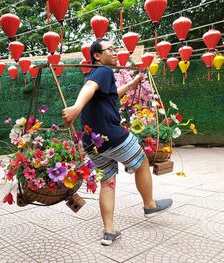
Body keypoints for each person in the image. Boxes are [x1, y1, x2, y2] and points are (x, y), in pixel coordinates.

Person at [62, 39, 173, 246]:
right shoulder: (102, 71)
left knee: (108, 182)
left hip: (92, 143)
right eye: (110, 49)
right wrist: (76, 108)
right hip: (111, 136)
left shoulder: (99, 75)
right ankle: (149, 205)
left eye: (115, 49)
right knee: (142, 163)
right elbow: (89, 88)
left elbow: (110, 97)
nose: (115, 53)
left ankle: (109, 231)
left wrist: (131, 85)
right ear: (97, 55)